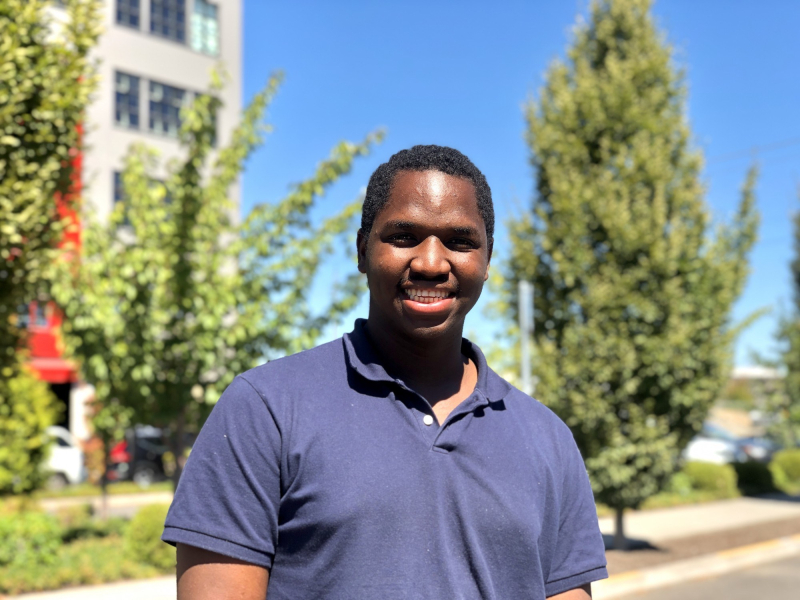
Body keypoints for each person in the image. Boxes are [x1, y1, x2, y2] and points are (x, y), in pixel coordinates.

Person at [162, 145, 608, 599]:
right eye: (404, 236)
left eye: (459, 241)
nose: (431, 263)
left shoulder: (548, 438)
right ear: (362, 250)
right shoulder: (264, 409)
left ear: (487, 259)